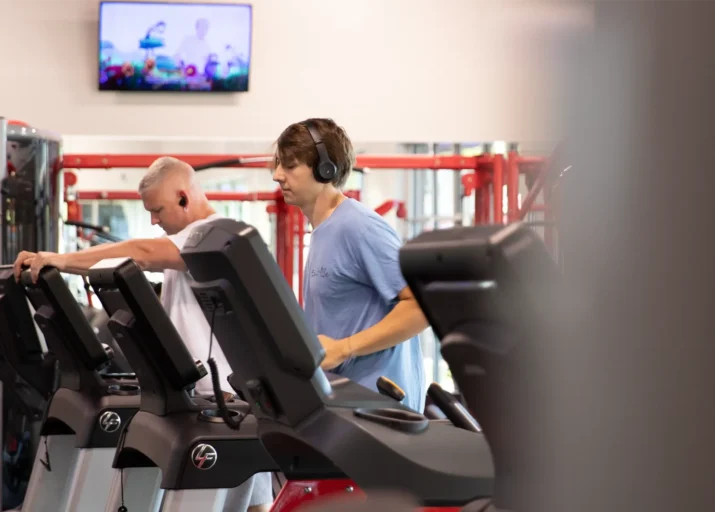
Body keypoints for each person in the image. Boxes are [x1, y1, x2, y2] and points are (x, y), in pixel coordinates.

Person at [12, 156, 272, 512]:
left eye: (158, 209)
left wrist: (60, 259)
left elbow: (142, 253)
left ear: (183, 197)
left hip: (226, 398)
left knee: (247, 500)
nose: (153, 220)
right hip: (201, 397)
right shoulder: (190, 239)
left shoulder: (214, 232)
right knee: (246, 501)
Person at [272, 118, 429, 412]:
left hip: (381, 410)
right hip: (344, 406)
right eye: (278, 164)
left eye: (290, 166)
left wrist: (344, 349)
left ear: (324, 170)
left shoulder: (359, 227)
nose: (277, 175)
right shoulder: (322, 232)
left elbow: (421, 308)